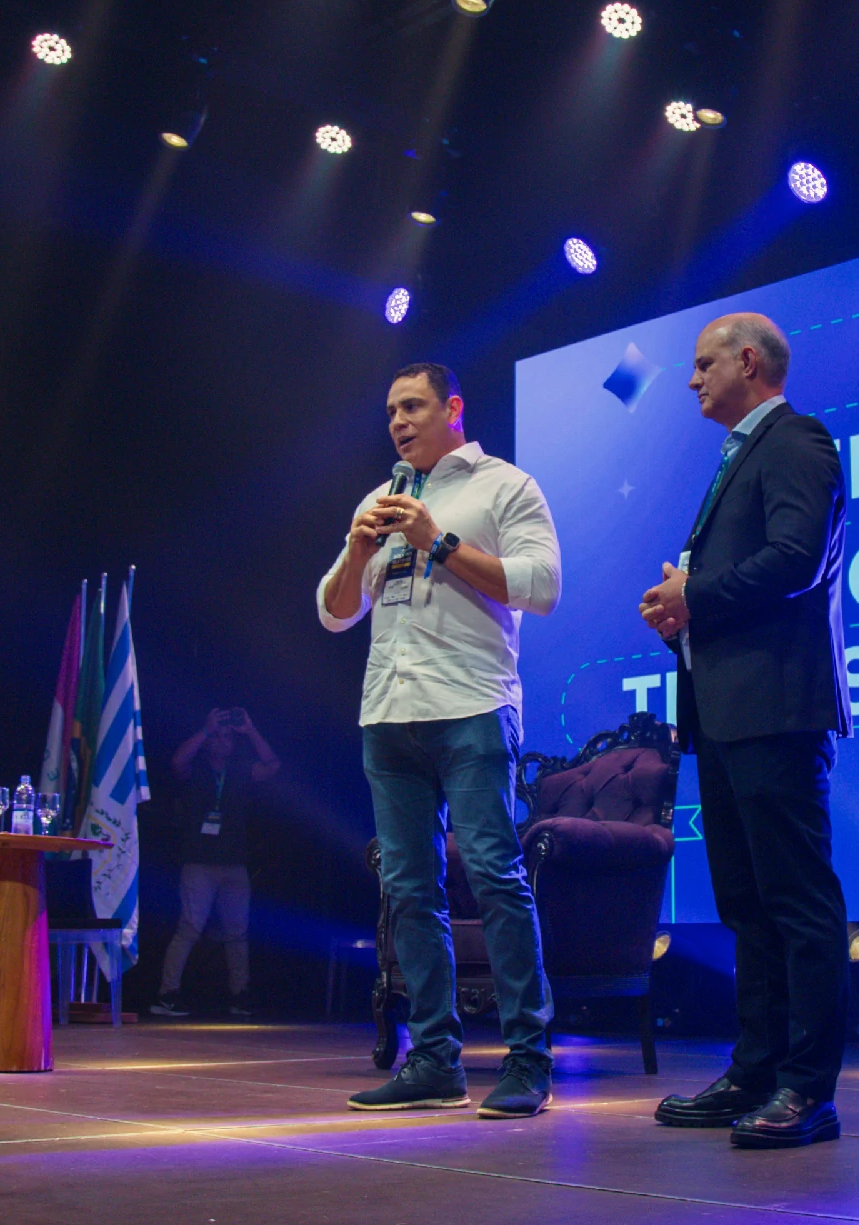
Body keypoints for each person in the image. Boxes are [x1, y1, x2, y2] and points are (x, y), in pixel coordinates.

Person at [318, 361, 562, 1119]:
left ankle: (528, 1059)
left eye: (413, 406)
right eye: (391, 410)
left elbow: (542, 586)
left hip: (473, 708)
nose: (398, 421)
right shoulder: (378, 499)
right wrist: (358, 550)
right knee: (408, 889)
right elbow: (334, 612)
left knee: (494, 875)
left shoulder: (505, 486)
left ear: (453, 408)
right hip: (388, 714)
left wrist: (440, 540)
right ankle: (433, 1060)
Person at [639, 313, 852, 1149]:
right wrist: (682, 612)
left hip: (776, 708)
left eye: (704, 364)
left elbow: (797, 558)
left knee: (796, 902)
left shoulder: (796, 440)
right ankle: (755, 1072)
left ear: (749, 361)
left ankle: (808, 1089)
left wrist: (694, 593)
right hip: (727, 711)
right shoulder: (739, 455)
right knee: (746, 904)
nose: (692, 379)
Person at [148, 707, 279, 1019]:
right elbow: (177, 762)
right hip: (199, 862)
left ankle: (240, 995)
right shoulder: (197, 769)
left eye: (228, 737)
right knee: (190, 928)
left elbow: (273, 765)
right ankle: (167, 994)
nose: (222, 742)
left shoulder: (240, 770)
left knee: (237, 932)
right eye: (217, 737)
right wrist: (206, 729)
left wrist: (250, 729)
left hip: (234, 863)